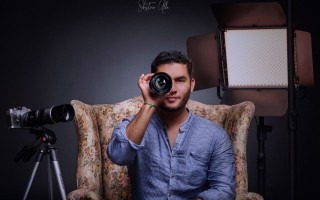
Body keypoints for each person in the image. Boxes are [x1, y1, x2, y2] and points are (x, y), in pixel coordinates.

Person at [107, 50, 236, 200]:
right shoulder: (134, 126)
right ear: (153, 83)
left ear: (191, 84)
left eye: (180, 80)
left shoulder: (215, 135)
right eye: (164, 80)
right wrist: (149, 103)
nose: (173, 89)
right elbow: (118, 156)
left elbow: (224, 190)